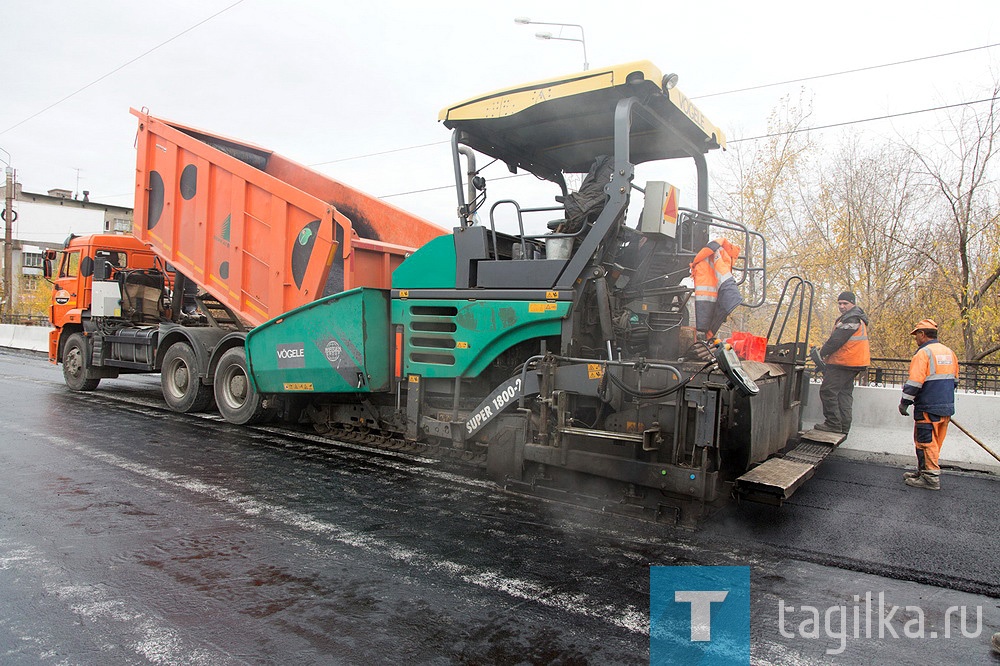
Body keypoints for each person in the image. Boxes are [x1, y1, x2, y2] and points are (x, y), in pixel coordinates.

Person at [898, 318, 959, 491]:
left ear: (922, 334)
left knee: (925, 442)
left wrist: (904, 403)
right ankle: (924, 472)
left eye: (916, 335)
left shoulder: (923, 354)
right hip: (945, 406)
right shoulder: (949, 353)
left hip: (927, 406)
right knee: (935, 442)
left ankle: (931, 478)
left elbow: (915, 382)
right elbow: (954, 381)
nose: (916, 339)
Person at [814, 291, 870, 434]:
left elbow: (836, 341)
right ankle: (844, 426)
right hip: (853, 363)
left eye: (845, 303)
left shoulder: (851, 319)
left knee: (828, 391)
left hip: (844, 362)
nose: (842, 306)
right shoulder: (857, 318)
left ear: (853, 304)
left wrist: (821, 353)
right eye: (839, 303)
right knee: (844, 393)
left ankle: (833, 424)